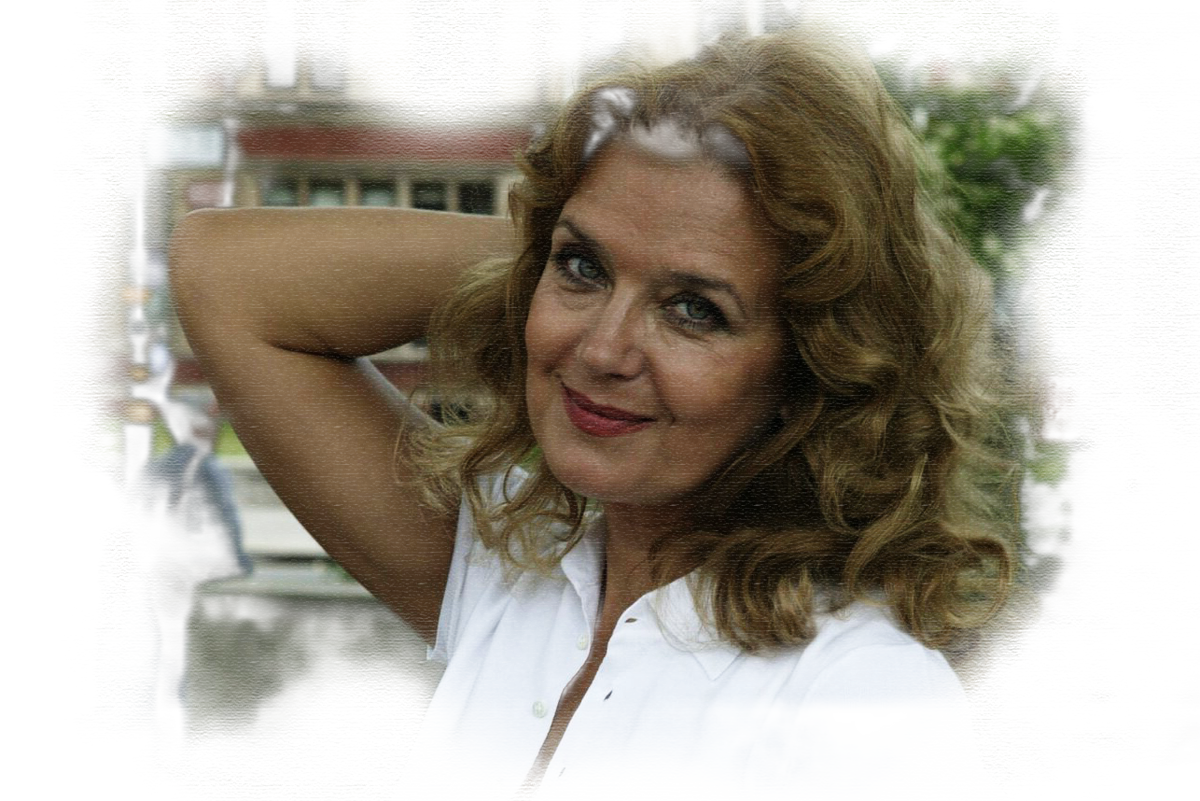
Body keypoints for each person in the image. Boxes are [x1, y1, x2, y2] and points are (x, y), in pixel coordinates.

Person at [167, 23, 1041, 799]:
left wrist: (607, 247)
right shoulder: (521, 578)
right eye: (583, 268)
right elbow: (221, 274)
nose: (602, 350)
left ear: (816, 368)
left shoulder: (859, 691)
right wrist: (550, 253)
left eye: (694, 309)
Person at [125, 398, 251, 766]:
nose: (217, 429)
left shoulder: (155, 467)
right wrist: (241, 568)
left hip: (167, 576)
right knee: (208, 665)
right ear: (196, 429)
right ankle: (206, 749)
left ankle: (168, 749)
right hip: (205, 576)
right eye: (211, 423)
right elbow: (225, 529)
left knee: (170, 662)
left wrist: (149, 565)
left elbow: (133, 520)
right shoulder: (207, 469)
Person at [54, 397, 129, 725]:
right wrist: (120, 597)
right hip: (79, 599)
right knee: (69, 694)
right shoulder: (97, 481)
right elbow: (120, 544)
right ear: (82, 435)